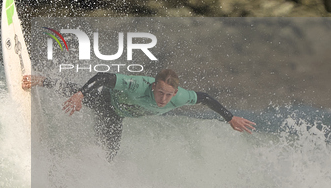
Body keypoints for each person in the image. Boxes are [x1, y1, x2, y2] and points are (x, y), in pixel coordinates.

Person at [22, 69, 256, 161]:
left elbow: (204, 97)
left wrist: (229, 118)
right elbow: (104, 77)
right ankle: (42, 80)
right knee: (80, 94)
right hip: (108, 100)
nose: (163, 99)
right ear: (153, 86)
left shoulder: (181, 96)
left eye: (169, 95)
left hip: (117, 116)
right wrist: (81, 95)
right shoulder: (137, 84)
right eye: (160, 92)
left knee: (108, 156)